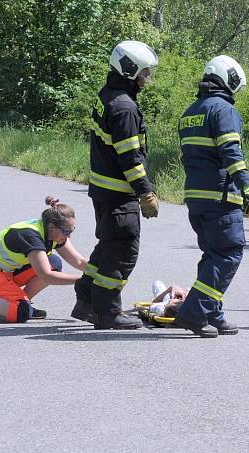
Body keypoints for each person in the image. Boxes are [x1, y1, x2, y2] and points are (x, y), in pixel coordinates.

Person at [72, 40, 160, 330]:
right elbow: (130, 158)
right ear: (129, 69)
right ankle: (108, 312)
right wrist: (145, 192)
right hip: (118, 193)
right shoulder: (124, 107)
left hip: (103, 189)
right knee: (123, 249)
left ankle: (86, 298)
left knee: (108, 245)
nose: (147, 78)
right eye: (144, 72)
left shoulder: (108, 94)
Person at [174, 55, 249, 338]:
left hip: (195, 197)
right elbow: (231, 151)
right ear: (229, 80)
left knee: (212, 254)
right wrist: (247, 186)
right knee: (228, 253)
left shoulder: (190, 112)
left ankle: (213, 313)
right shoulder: (224, 111)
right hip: (220, 197)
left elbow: (186, 157)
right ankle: (194, 313)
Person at [0, 197, 87, 322]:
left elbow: (79, 262)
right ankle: (18, 306)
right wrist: (84, 280)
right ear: (52, 227)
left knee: (54, 263)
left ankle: (23, 302)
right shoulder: (31, 236)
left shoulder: (52, 232)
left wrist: (104, 272)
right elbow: (46, 276)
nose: (68, 236)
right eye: (66, 231)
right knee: (21, 313)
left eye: (72, 230)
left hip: (9, 270)